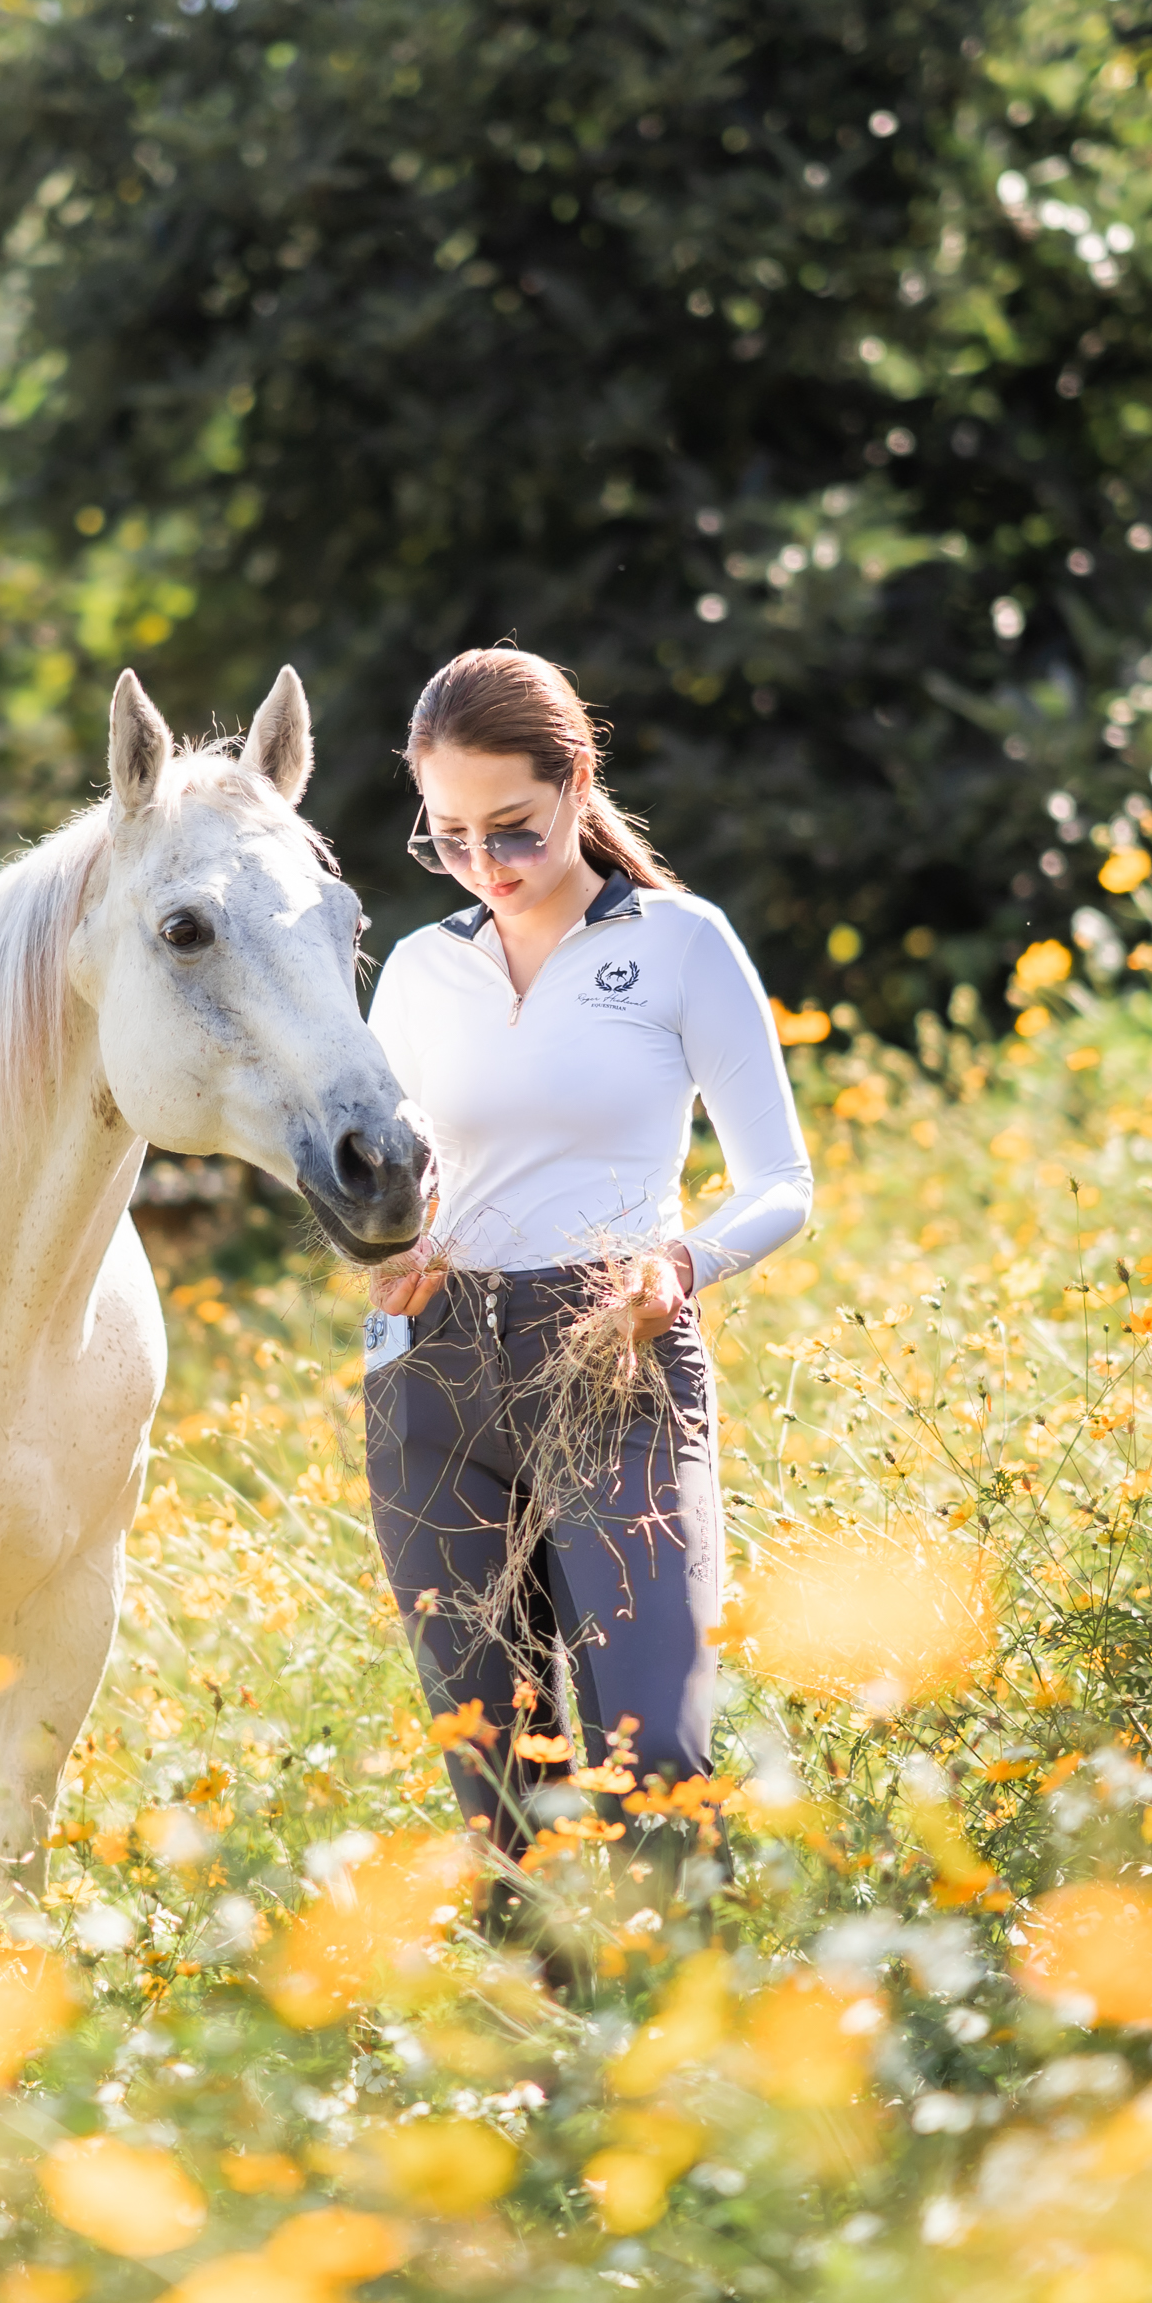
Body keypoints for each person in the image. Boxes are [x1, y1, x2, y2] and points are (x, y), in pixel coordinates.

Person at [358, 647, 815, 1940]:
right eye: (448, 841)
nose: (486, 868)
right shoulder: (416, 972)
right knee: (501, 1790)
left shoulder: (678, 946)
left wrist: (681, 1266)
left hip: (615, 1359)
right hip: (430, 1383)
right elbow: (387, 1179)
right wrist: (382, 1252)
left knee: (656, 1761)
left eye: (514, 829)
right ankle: (543, 2099)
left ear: (578, 780)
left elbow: (782, 1181)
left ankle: (693, 2082)